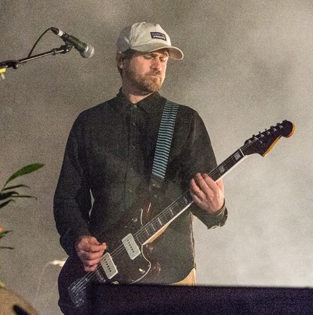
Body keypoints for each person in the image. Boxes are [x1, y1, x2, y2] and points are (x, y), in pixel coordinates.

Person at [54, 21, 227, 313]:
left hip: (170, 276)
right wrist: (79, 238)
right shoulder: (90, 123)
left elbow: (207, 202)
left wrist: (216, 207)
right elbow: (68, 197)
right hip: (105, 278)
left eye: (163, 58)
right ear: (122, 60)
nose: (158, 65)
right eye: (149, 56)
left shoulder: (185, 121)